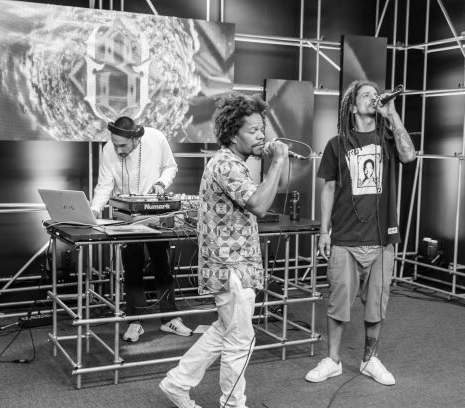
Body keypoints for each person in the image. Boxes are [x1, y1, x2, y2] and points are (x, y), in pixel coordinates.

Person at [159, 93, 289, 408]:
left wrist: (275, 164)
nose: (261, 136)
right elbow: (259, 205)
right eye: (252, 131)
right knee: (240, 341)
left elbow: (260, 197)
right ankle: (232, 404)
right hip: (232, 269)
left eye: (262, 129)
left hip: (233, 265)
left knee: (224, 331)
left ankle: (176, 383)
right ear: (232, 135)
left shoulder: (229, 162)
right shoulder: (228, 166)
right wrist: (278, 162)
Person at [305, 80, 416, 386]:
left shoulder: (388, 139)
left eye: (375, 94)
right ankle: (333, 360)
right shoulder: (337, 144)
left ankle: (370, 359)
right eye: (366, 95)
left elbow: (409, 156)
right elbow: (328, 189)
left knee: (376, 304)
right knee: (338, 303)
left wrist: (392, 114)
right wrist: (324, 232)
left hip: (381, 239)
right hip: (345, 238)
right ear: (352, 107)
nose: (373, 97)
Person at [90, 116, 192, 342]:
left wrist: (161, 184)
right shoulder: (108, 150)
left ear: (136, 139)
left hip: (155, 216)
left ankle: (170, 319)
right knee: (132, 269)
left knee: (162, 266)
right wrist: (95, 209)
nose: (118, 150)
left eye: (123, 145)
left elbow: (170, 166)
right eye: (115, 144)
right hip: (126, 218)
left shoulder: (156, 138)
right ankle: (135, 322)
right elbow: (104, 184)